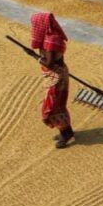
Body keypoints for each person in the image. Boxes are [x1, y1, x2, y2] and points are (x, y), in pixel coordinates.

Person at [30, 12, 74, 149]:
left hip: (56, 77)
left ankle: (66, 134)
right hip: (57, 75)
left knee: (52, 106)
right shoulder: (52, 36)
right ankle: (66, 131)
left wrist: (34, 56)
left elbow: (48, 63)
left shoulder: (51, 40)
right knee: (58, 104)